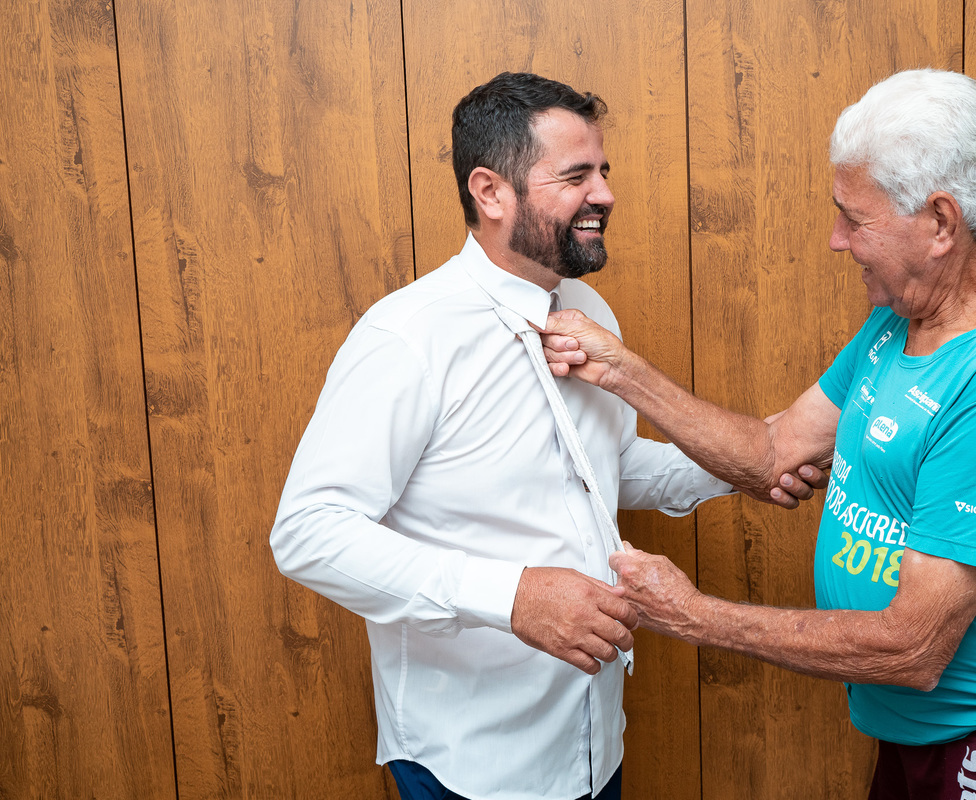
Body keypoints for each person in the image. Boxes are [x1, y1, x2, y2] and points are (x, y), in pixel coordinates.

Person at [540, 68, 976, 800]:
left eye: (855, 217)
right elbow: (776, 451)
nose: (836, 240)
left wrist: (691, 616)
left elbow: (913, 646)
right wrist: (622, 371)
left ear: (941, 223)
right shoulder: (904, 317)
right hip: (923, 731)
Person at [268, 72, 766, 800]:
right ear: (490, 191)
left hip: (595, 743)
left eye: (603, 171)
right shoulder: (407, 336)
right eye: (576, 175)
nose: (605, 193)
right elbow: (308, 533)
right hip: (470, 762)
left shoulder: (589, 309)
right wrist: (513, 596)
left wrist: (750, 460)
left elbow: (605, 469)